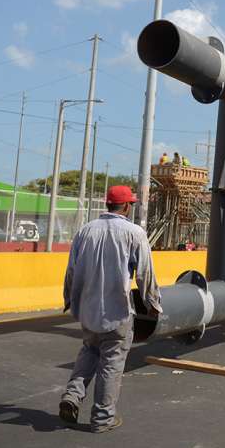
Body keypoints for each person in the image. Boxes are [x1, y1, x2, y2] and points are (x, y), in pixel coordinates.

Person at [58, 185, 162, 434]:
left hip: (89, 311)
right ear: (127, 206)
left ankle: (72, 396)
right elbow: (145, 273)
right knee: (111, 362)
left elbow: (71, 270)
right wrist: (153, 303)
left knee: (90, 350)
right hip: (118, 312)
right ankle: (103, 418)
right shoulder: (134, 232)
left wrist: (69, 299)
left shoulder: (85, 231)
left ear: (108, 205)